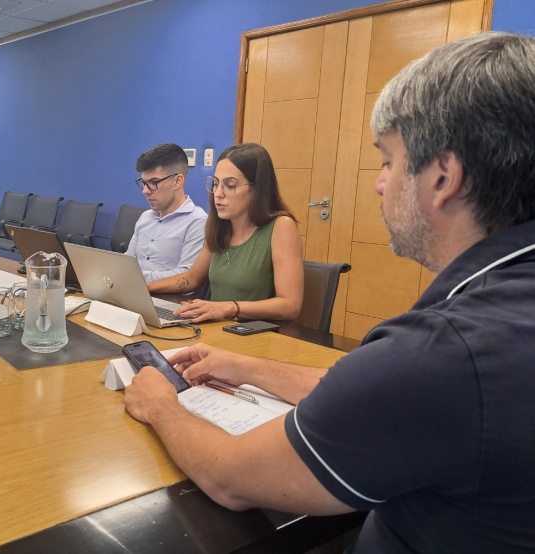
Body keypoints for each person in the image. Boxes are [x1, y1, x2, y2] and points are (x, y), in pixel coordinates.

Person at [124, 32, 535, 553]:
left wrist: (162, 405)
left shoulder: (447, 350)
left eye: (388, 161)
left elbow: (232, 477)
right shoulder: (503, 301)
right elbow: (364, 386)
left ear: (443, 177)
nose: (380, 183)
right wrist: (245, 366)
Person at [146, 143, 303, 322]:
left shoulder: (281, 226)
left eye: (230, 185)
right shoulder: (221, 227)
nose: (218, 193)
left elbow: (290, 306)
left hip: (255, 333)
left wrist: (230, 307)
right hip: (217, 329)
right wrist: (145, 287)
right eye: (215, 184)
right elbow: (192, 279)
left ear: (257, 188)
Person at [126, 144, 208, 281]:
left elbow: (186, 276)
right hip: (132, 289)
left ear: (177, 181)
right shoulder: (145, 217)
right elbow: (129, 260)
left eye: (153, 182)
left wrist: (137, 278)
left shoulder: (197, 221)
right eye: (143, 183)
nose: (145, 191)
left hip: (165, 294)